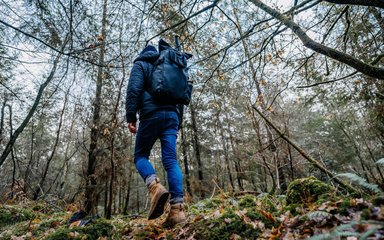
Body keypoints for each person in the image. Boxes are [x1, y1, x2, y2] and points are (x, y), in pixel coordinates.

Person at [125, 39, 185, 226]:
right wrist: (178, 121)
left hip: (151, 114)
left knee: (140, 155)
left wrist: (131, 116)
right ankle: (177, 210)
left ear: (144, 52)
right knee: (170, 160)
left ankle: (154, 186)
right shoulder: (171, 65)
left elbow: (133, 90)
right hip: (172, 116)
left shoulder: (141, 64)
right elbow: (181, 94)